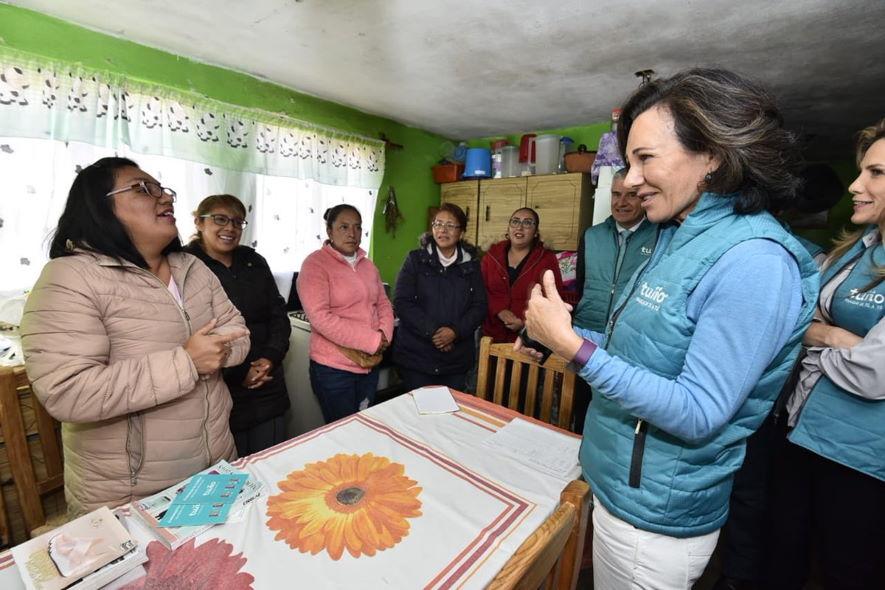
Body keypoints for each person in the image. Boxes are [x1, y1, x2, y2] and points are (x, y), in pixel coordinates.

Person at [516, 68, 819, 589]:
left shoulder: (755, 262)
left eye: (644, 159)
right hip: (618, 481)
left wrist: (574, 347)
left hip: (654, 514)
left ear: (713, 157)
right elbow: (644, 354)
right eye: (628, 161)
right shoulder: (676, 238)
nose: (629, 179)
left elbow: (699, 412)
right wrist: (565, 340)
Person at [20, 157, 250, 514]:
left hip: (214, 465)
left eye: (164, 190)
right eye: (144, 189)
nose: (165, 199)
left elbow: (238, 330)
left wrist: (215, 353)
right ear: (100, 207)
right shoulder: (70, 277)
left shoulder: (191, 267)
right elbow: (68, 392)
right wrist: (187, 362)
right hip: (129, 495)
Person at [765, 119, 885, 590]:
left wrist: (826, 339)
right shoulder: (857, 249)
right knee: (784, 551)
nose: (854, 185)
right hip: (800, 429)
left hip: (860, 459)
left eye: (875, 172)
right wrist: (837, 340)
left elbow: (875, 374)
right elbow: (800, 326)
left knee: (848, 568)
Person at [184, 194, 291, 457]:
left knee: (273, 459)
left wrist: (269, 358)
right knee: (230, 472)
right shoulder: (185, 265)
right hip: (220, 383)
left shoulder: (254, 261)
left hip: (267, 379)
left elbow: (278, 315)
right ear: (199, 222)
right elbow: (190, 329)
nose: (230, 228)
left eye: (237, 222)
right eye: (220, 219)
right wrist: (241, 371)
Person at [571, 169, 659, 432]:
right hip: (588, 337)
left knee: (618, 416)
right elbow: (581, 285)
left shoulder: (660, 236)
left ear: (643, 197)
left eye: (631, 195)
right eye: (616, 194)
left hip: (629, 343)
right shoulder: (592, 236)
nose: (622, 202)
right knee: (581, 411)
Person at [296, 204, 394, 423]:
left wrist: (385, 335)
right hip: (334, 369)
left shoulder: (368, 266)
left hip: (369, 364)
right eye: (344, 227)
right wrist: (372, 340)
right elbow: (320, 317)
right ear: (329, 231)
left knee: (365, 425)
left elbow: (383, 303)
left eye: (358, 227)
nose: (352, 233)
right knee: (342, 433)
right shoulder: (315, 264)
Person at [393, 203, 486, 392]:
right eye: (438, 224)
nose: (443, 230)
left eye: (450, 225)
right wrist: (435, 332)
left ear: (461, 232)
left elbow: (479, 307)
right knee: (417, 416)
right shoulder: (415, 260)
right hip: (417, 358)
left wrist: (454, 332)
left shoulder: (472, 266)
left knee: (451, 416)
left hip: (456, 360)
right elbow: (402, 302)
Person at [481, 207, 563, 343]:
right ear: (508, 228)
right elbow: (480, 291)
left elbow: (554, 299)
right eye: (515, 221)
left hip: (528, 340)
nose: (519, 227)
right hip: (490, 336)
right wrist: (499, 310)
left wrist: (524, 323)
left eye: (527, 223)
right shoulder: (491, 255)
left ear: (536, 232)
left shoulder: (546, 259)